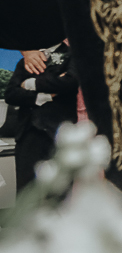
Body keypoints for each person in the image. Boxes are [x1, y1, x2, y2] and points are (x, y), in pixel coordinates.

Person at [4, 40, 77, 188]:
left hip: (59, 130)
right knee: (26, 187)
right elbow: (11, 94)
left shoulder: (72, 55)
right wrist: (44, 96)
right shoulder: (26, 60)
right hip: (27, 131)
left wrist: (31, 84)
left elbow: (70, 82)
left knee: (60, 188)